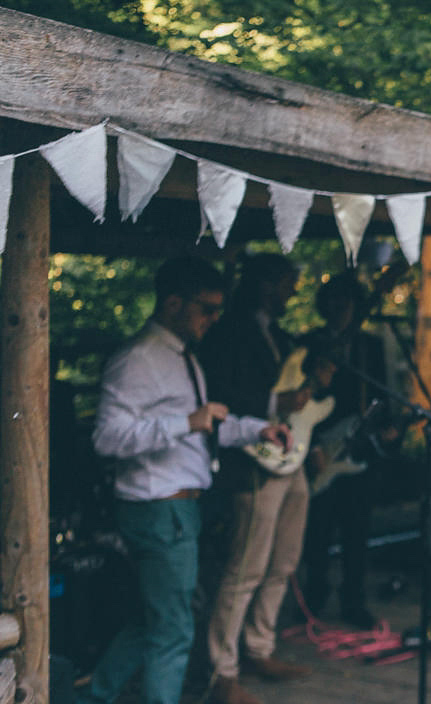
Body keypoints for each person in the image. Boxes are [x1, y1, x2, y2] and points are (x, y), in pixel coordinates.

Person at [78, 257, 289, 704]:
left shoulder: (183, 356)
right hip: (158, 509)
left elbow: (205, 424)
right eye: (206, 308)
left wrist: (257, 429)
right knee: (174, 629)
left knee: (153, 620)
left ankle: (92, 697)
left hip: (179, 509)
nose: (215, 318)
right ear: (173, 303)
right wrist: (184, 422)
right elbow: (106, 438)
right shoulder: (137, 359)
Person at [199, 253, 313, 704]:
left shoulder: (280, 336)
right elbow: (221, 391)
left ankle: (259, 647)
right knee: (244, 569)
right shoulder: (227, 330)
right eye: (288, 283)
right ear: (266, 284)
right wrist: (277, 401)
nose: (293, 292)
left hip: (289, 456)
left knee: (283, 561)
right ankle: (221, 671)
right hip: (249, 460)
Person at [300, 271, 402, 629]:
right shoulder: (311, 343)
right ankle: (313, 597)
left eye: (347, 304)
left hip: (359, 450)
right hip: (320, 446)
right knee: (317, 532)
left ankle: (353, 600)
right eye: (335, 304)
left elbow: (383, 393)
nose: (341, 310)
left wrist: (389, 428)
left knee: (357, 531)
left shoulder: (368, 346)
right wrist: (311, 445)